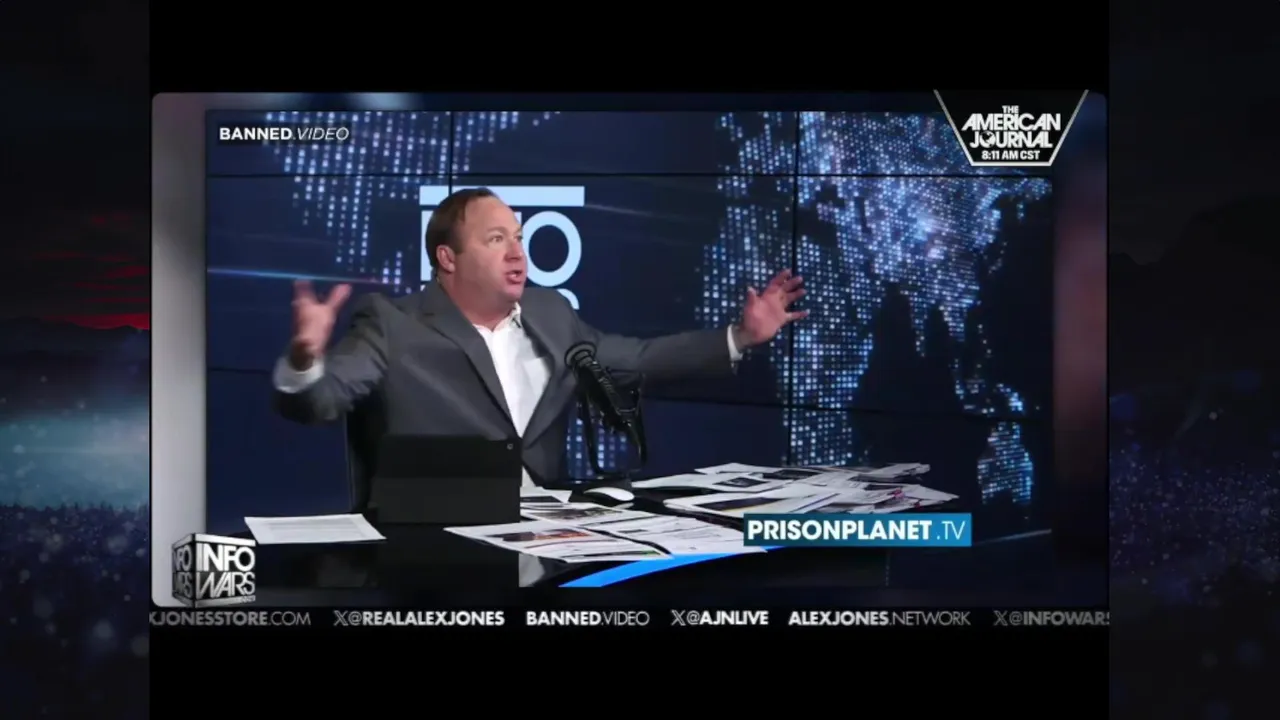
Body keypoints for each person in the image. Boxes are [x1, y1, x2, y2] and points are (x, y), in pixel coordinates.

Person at [272, 187, 805, 581]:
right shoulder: (392, 323)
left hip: (549, 548)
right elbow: (320, 400)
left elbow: (638, 359)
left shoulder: (550, 313)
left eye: (519, 238)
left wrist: (740, 336)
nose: (517, 253)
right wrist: (304, 360)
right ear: (448, 258)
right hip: (433, 553)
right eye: (496, 239)